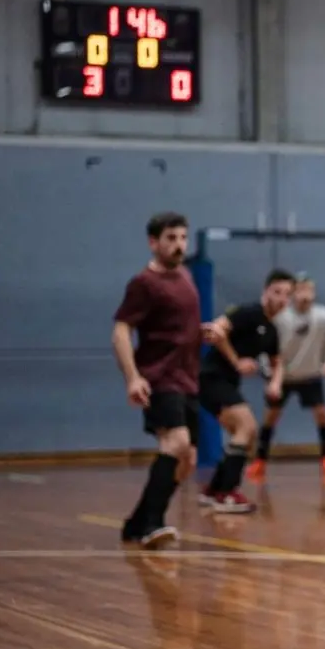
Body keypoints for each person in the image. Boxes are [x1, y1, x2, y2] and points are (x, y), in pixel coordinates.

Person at [111, 212, 202, 549]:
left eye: (182, 238)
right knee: (175, 444)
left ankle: (136, 522)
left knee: (187, 459)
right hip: (160, 377)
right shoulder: (143, 284)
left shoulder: (187, 276)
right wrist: (133, 377)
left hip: (190, 378)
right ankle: (152, 523)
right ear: (153, 242)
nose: (179, 245)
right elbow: (121, 331)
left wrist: (201, 333)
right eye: (171, 238)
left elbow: (180, 326)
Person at [198, 269, 295, 512]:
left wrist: (274, 383)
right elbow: (218, 329)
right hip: (211, 377)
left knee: (243, 435)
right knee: (248, 427)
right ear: (266, 292)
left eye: (287, 295)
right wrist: (236, 362)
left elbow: (277, 361)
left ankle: (213, 490)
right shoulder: (249, 313)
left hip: (227, 383)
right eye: (277, 292)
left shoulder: (271, 330)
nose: (282, 299)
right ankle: (227, 494)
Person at [248, 275, 325, 484]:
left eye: (310, 290)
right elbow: (266, 346)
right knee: (271, 416)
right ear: (293, 293)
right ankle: (260, 460)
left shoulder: (323, 316)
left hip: (311, 375)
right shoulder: (281, 317)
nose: (305, 295)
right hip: (284, 375)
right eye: (301, 290)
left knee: (322, 414)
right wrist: (268, 374)